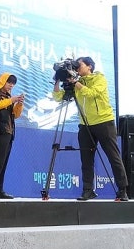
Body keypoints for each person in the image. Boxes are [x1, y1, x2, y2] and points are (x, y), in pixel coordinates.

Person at [53, 56, 128, 201]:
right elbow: (58, 97)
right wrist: (57, 80)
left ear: (89, 67)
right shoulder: (77, 82)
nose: (76, 68)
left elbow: (92, 93)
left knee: (113, 157)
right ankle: (88, 190)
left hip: (104, 122)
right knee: (86, 159)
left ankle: (122, 190)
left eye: (79, 65)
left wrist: (77, 83)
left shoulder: (99, 78)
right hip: (85, 124)